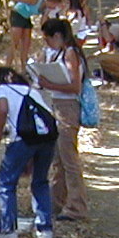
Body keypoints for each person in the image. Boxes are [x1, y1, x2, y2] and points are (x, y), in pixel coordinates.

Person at [0, 66, 55, 238]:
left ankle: (7, 231)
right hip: (48, 138)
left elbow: (2, 110)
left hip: (22, 139)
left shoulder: (1, 89)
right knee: (40, 181)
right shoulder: (31, 91)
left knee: (6, 183)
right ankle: (44, 229)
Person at [33, 18, 90, 223]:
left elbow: (75, 86)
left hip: (67, 108)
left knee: (69, 160)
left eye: (48, 39)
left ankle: (77, 206)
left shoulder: (71, 53)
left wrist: (49, 83)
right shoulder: (58, 53)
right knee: (57, 159)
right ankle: (57, 201)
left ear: (57, 36)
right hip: (55, 106)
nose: (46, 43)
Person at [6, 0, 65, 69]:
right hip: (17, 15)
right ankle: (7, 67)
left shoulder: (46, 8)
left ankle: (24, 69)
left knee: (26, 44)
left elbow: (42, 24)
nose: (54, 8)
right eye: (54, 5)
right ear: (49, 1)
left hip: (26, 18)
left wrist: (46, 13)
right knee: (15, 43)